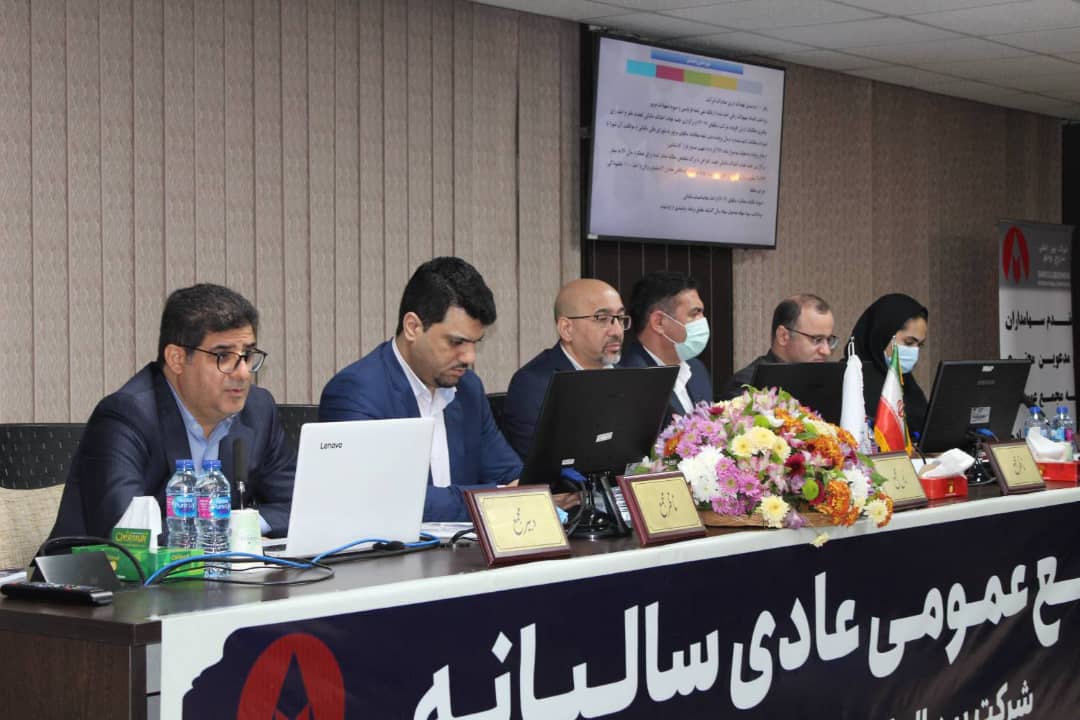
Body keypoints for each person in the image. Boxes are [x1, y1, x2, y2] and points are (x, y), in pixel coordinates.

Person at [50, 284, 296, 539]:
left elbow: (298, 507)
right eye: (223, 356)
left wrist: (241, 527)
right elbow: (127, 530)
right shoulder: (126, 416)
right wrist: (221, 532)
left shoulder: (258, 410)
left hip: (213, 565)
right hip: (99, 564)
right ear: (177, 359)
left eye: (247, 355)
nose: (243, 373)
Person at [319, 257, 522, 521]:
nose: (470, 357)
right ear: (413, 327)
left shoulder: (469, 389)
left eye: (476, 343)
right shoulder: (356, 392)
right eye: (457, 342)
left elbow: (511, 475)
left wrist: (541, 488)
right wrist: (492, 499)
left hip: (463, 545)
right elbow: (383, 500)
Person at [501, 279, 627, 459]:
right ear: (566, 328)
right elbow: (540, 465)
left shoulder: (631, 377)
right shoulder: (534, 385)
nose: (617, 331)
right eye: (602, 319)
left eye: (620, 318)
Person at [619, 271, 712, 421]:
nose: (702, 321)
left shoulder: (697, 369)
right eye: (694, 314)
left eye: (702, 313)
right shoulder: (629, 381)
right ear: (659, 322)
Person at [720, 294, 837, 399]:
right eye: (817, 339)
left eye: (829, 340)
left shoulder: (827, 382)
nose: (826, 351)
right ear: (783, 336)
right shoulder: (747, 385)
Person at [847, 293, 929, 435]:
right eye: (909, 342)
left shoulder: (908, 384)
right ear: (882, 335)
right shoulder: (850, 379)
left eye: (919, 345)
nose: (915, 352)